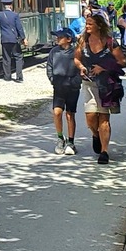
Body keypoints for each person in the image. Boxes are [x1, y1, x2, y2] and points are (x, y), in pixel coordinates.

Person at [74, 13, 126, 164]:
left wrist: (103, 67)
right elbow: (76, 58)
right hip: (89, 83)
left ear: (99, 25)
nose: (87, 26)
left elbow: (122, 62)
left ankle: (104, 151)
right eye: (87, 24)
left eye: (90, 24)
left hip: (106, 86)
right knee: (90, 117)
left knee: (104, 117)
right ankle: (96, 135)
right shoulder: (83, 41)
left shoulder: (110, 42)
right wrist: (81, 67)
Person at [46, 27, 82, 155]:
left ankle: (71, 141)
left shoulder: (76, 52)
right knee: (57, 112)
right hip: (59, 85)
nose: (57, 39)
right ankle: (60, 138)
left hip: (72, 87)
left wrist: (76, 81)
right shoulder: (54, 52)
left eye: (60, 37)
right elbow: (49, 66)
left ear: (68, 39)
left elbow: (81, 68)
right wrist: (52, 78)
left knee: (70, 114)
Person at [0, 0, 27, 82]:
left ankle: (7, 77)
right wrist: (23, 38)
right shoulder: (15, 15)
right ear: (11, 5)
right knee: (18, 57)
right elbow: (19, 28)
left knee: (6, 58)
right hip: (14, 40)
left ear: (3, 6)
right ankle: (19, 77)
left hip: (5, 40)